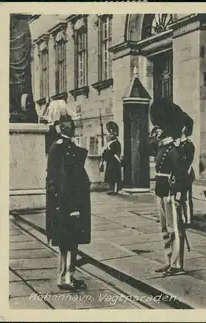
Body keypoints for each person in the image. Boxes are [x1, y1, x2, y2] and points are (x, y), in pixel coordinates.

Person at [44, 100, 91, 291]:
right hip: (69, 203)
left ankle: (66, 275)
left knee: (67, 240)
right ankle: (66, 278)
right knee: (70, 241)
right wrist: (73, 208)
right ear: (63, 126)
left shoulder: (62, 146)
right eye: (71, 122)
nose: (74, 125)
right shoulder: (64, 147)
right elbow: (66, 182)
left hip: (64, 203)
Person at [152, 99, 187, 277]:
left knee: (175, 229)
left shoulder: (174, 150)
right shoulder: (162, 148)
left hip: (171, 192)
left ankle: (177, 263)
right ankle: (168, 260)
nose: (155, 132)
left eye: (157, 129)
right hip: (160, 190)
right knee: (164, 229)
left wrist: (178, 194)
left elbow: (181, 175)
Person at [178, 112, 196, 225]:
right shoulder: (178, 144)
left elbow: (189, 161)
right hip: (178, 173)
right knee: (180, 197)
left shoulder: (189, 144)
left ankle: (189, 219)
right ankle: (183, 218)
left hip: (186, 173)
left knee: (187, 198)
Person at [100, 121, 122, 195]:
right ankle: (112, 188)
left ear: (115, 135)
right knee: (110, 175)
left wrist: (106, 150)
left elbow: (113, 152)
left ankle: (115, 190)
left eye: (112, 134)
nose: (110, 135)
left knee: (115, 175)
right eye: (109, 134)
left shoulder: (116, 143)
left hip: (115, 161)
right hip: (110, 161)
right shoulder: (110, 143)